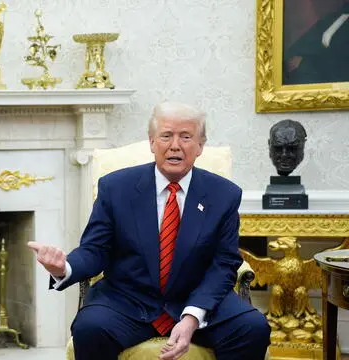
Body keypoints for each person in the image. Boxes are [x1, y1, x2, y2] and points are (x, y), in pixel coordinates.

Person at [28, 102, 271, 360]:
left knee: (252, 329)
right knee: (90, 328)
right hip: (128, 301)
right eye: (166, 136)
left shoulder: (224, 194)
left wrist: (192, 316)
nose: (175, 145)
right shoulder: (116, 187)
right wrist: (63, 268)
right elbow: (95, 250)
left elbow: (224, 264)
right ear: (152, 142)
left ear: (200, 145)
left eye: (186, 137)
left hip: (198, 298)